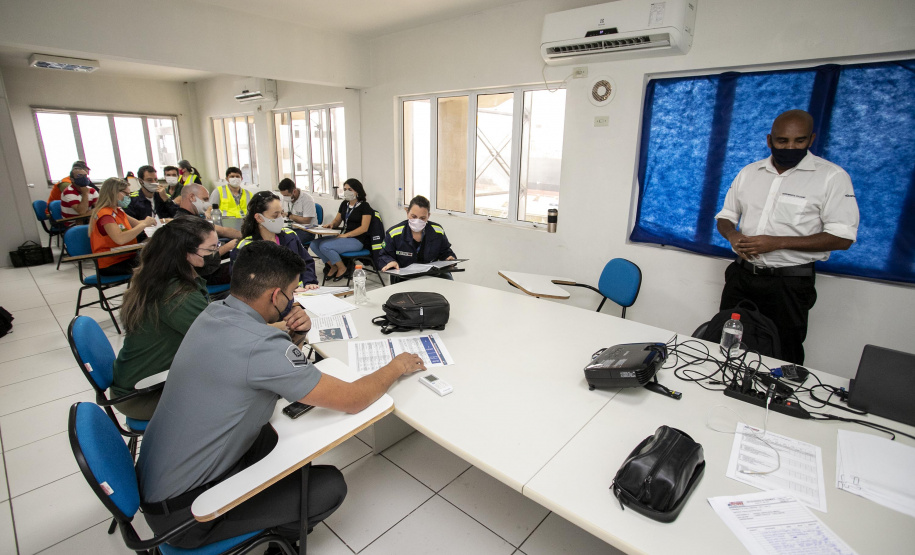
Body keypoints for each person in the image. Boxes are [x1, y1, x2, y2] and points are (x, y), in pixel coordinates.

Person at [136, 240, 427, 549]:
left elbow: (255, 366)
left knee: (284, 440)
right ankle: (280, 544)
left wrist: (295, 338)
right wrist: (397, 366)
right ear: (276, 296)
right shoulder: (261, 345)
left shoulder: (212, 313)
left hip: (158, 483)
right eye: (292, 292)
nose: (292, 300)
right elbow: (354, 399)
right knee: (327, 486)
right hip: (187, 516)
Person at [715, 109, 859, 364]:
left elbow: (843, 238)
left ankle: (776, 399)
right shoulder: (750, 172)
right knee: (725, 343)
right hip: (742, 276)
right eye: (783, 141)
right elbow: (725, 216)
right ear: (770, 140)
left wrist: (777, 242)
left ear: (811, 139)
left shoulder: (831, 177)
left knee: (784, 352)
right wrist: (733, 235)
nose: (790, 147)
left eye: (799, 141)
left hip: (788, 283)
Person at [111, 217, 221, 420]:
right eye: (210, 249)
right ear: (185, 253)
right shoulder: (177, 294)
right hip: (143, 395)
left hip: (139, 382)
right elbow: (220, 341)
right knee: (237, 392)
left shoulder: (160, 277)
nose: (215, 254)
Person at [231, 191, 319, 292]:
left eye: (281, 213)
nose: (280, 219)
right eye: (275, 216)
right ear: (259, 217)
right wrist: (286, 292)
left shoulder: (290, 236)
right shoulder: (246, 248)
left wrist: (309, 282)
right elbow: (245, 285)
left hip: (301, 295)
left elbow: (306, 262)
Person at [379, 195, 457, 283]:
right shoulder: (394, 233)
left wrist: (450, 259)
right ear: (407, 213)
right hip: (405, 278)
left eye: (422, 218)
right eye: (414, 216)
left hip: (431, 275)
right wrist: (390, 261)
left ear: (428, 216)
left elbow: (445, 251)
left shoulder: (437, 231)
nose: (417, 221)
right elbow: (383, 255)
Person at [87, 178, 157, 276]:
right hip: (112, 263)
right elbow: (120, 238)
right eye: (126, 194)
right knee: (156, 266)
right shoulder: (105, 215)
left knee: (158, 259)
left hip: (126, 257)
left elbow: (138, 224)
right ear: (114, 193)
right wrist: (144, 224)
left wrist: (151, 222)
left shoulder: (117, 211)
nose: (128, 197)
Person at [310, 179, 374, 280]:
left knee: (324, 246)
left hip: (356, 240)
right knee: (314, 244)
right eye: (345, 189)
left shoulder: (365, 206)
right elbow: (337, 220)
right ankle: (333, 266)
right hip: (343, 237)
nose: (346, 192)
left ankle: (342, 268)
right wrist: (331, 225)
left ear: (357, 191)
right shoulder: (345, 204)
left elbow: (364, 228)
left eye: (350, 189)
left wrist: (346, 235)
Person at [175, 184, 242, 241]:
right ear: (192, 197)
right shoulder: (185, 221)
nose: (208, 204)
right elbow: (222, 231)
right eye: (205, 199)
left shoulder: (192, 217)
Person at [278, 178, 319, 244]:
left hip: (306, 230)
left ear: (294, 191)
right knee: (276, 239)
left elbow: (306, 221)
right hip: (290, 228)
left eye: (286, 195)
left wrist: (289, 215)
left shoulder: (307, 199)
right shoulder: (283, 198)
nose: (284, 197)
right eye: (283, 195)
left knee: (290, 241)